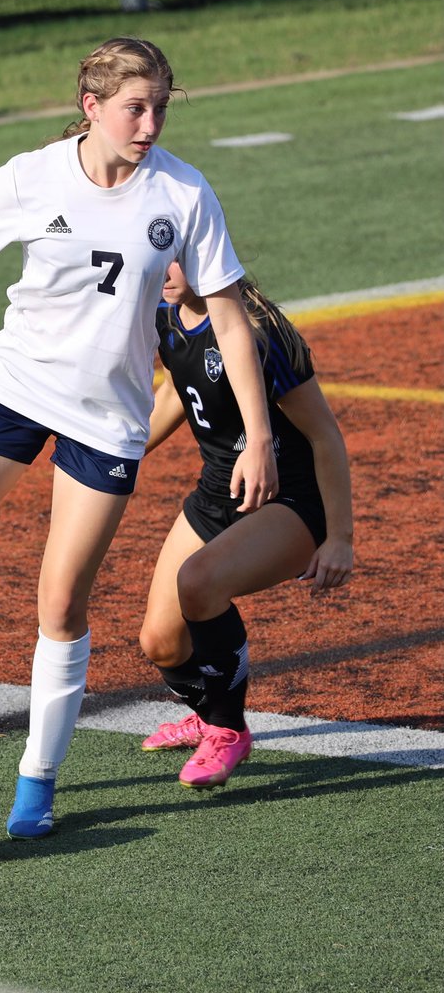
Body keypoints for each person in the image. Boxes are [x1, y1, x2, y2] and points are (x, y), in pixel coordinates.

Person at [0, 37, 278, 839]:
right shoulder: (32, 177)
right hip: (16, 392)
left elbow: (231, 320)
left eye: (162, 106)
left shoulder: (184, 193)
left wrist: (260, 435)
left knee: (61, 604)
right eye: (136, 107)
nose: (151, 123)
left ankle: (38, 779)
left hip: (107, 420)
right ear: (91, 107)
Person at [139, 262, 353, 788]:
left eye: (177, 256)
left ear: (209, 254)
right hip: (219, 491)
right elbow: (173, 390)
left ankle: (227, 730)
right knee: (161, 643)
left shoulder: (257, 331)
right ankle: (208, 709)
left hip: (292, 498)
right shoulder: (164, 312)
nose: (163, 268)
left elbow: (325, 434)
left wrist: (340, 538)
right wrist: (117, 447)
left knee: (199, 582)